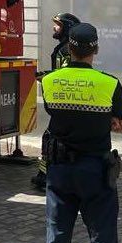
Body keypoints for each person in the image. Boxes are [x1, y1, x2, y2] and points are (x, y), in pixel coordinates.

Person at [41, 23, 122, 243]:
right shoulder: (109, 83)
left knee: (56, 238)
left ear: (69, 48)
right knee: (103, 241)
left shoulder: (49, 80)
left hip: (59, 171)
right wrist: (109, 120)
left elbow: (55, 112)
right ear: (96, 49)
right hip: (96, 171)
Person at [32, 12, 82, 191]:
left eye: (58, 25)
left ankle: (47, 178)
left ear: (67, 28)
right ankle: (45, 175)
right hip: (65, 105)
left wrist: (46, 77)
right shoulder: (65, 48)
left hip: (64, 105)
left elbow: (66, 76)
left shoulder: (65, 50)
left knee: (51, 139)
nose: (54, 28)